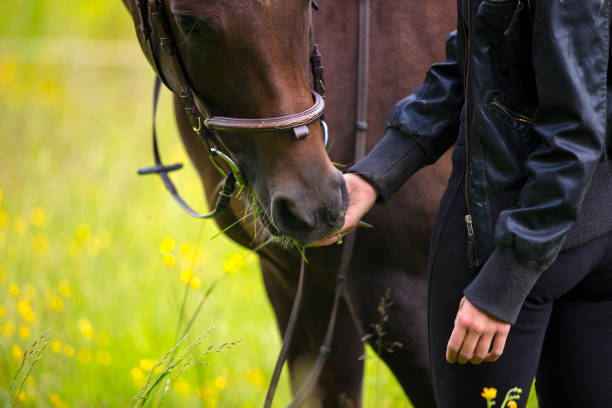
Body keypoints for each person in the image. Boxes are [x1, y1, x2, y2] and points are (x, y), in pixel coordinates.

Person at [316, 0, 612, 406]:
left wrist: (504, 281)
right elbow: (474, 63)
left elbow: (574, 136)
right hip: (592, 233)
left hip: (501, 247)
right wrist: (376, 174)